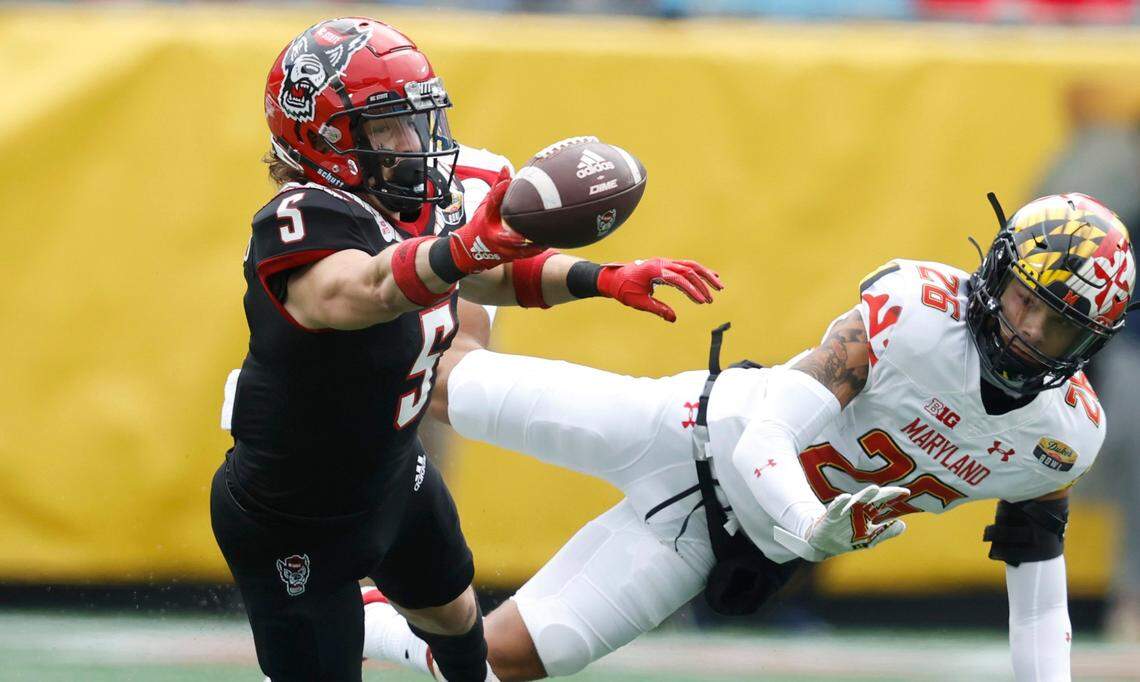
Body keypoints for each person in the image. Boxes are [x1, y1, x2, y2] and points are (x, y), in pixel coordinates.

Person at [360, 192, 1136, 682]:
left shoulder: (1061, 437)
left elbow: (1038, 607)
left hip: (711, 540)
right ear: (993, 273)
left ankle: (358, 618)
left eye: (1062, 323)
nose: (1031, 332)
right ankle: (457, 218)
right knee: (440, 382)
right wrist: (807, 524)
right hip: (685, 430)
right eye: (1026, 300)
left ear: (1092, 341)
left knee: (502, 662)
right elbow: (767, 430)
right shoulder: (915, 316)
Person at [209, 17, 721, 682]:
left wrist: (603, 278)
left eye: (417, 119)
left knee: (458, 627)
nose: (414, 141)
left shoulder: (412, 200)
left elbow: (492, 273)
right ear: (328, 137)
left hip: (395, 475)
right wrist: (461, 249)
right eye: (389, 125)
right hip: (293, 514)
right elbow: (360, 288)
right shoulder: (301, 216)